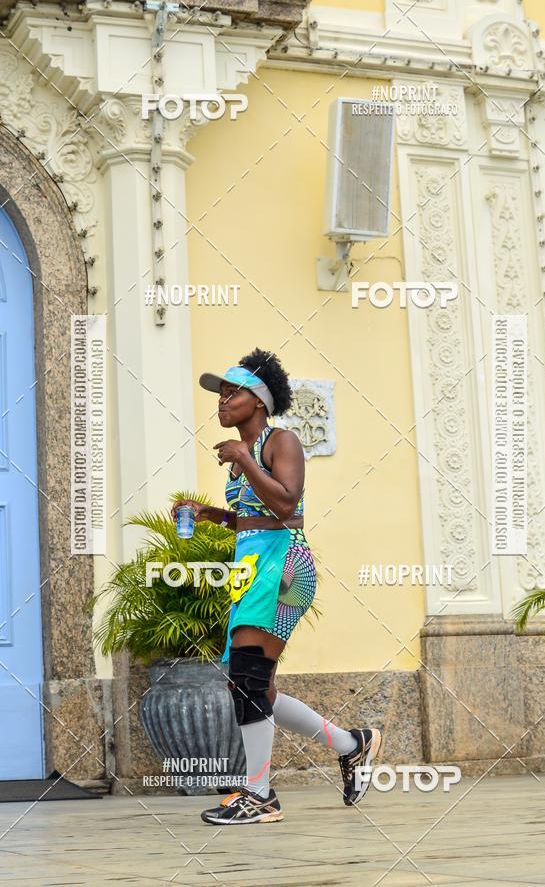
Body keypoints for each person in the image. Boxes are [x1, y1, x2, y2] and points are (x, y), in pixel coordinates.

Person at [172, 348, 381, 823]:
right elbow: (254, 519)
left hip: (285, 565)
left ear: (259, 400)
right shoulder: (244, 454)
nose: (221, 400)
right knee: (253, 686)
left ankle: (260, 796)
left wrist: (245, 458)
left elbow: (286, 507)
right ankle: (352, 745)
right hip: (256, 564)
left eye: (231, 392)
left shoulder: (280, 441)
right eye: (219, 393)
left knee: (248, 679)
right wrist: (214, 515)